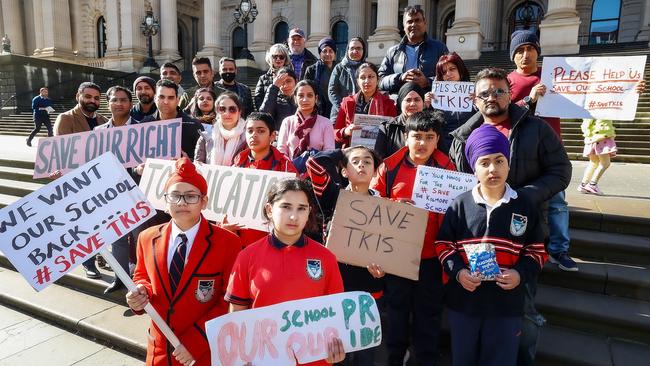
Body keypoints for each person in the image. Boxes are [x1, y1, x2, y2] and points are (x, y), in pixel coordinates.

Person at [448, 67, 571, 366]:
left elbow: (561, 171)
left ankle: (522, 360)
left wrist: (525, 196)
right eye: (485, 93)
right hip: (476, 239)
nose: (492, 97)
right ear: (475, 99)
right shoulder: (463, 136)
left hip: (520, 234)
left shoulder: (537, 128)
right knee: (475, 311)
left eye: (499, 90)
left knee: (523, 308)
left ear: (510, 93)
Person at [435, 124, 547, 366]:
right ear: (474, 168)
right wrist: (458, 273)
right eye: (484, 163)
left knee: (500, 359)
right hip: (464, 303)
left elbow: (537, 251)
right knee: (463, 358)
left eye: (499, 161)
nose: (493, 169)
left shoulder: (525, 206)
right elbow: (444, 245)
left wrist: (519, 274)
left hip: (506, 306)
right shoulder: (460, 204)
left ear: (509, 163)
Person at [126, 157, 241, 366]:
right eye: (175, 196)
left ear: (204, 201)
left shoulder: (227, 243)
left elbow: (230, 300)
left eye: (190, 197)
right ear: (165, 200)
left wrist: (197, 341)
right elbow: (142, 275)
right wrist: (141, 292)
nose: (181, 203)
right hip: (160, 351)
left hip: (203, 352)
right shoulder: (147, 237)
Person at [224, 178, 346, 365]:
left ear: (309, 212)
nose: (293, 216)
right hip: (263, 360)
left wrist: (336, 348)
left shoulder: (326, 258)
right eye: (286, 207)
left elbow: (337, 315)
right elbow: (237, 313)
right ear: (269, 209)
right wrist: (241, 353)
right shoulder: (247, 256)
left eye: (301, 208)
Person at [372, 110, 455, 366]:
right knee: (396, 315)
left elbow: (456, 213)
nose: (422, 143)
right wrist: (395, 205)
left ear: (437, 139)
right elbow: (372, 205)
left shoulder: (448, 168)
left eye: (429, 137)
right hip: (397, 258)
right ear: (406, 137)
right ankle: (395, 359)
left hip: (431, 258)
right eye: (417, 136)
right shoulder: (389, 166)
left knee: (428, 318)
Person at [505, 30, 576, 274]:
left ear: (538, 51)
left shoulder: (555, 77)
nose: (525, 55)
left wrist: (627, 89)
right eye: (520, 50)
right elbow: (502, 113)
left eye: (530, 49)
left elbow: (589, 94)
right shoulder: (507, 81)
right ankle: (519, 245)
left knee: (557, 202)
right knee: (520, 200)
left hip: (551, 147)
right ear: (513, 56)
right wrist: (528, 100)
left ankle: (559, 249)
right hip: (521, 151)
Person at [306, 146, 385, 366]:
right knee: (336, 353)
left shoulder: (385, 205)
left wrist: (383, 269)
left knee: (365, 354)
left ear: (375, 171)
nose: (362, 165)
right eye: (355, 161)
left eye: (368, 161)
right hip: (334, 287)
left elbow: (389, 250)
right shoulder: (332, 195)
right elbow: (313, 164)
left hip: (368, 289)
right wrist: (341, 152)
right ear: (343, 171)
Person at [53, 82, 108, 279]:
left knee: (101, 222)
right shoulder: (66, 118)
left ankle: (103, 257)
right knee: (85, 225)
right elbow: (60, 151)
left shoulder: (103, 119)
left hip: (99, 180)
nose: (92, 101)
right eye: (88, 96)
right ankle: (88, 262)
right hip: (77, 181)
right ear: (78, 96)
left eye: (96, 98)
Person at [229, 112, 298, 246]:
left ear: (272, 136)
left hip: (272, 239)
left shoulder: (285, 166)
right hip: (238, 238)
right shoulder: (236, 163)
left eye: (260, 131)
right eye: (250, 131)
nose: (254, 135)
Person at [95, 85, 138, 293]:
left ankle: (141, 281)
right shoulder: (98, 133)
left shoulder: (144, 129)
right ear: (108, 103)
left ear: (131, 104)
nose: (119, 103)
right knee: (118, 240)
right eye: (114, 100)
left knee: (140, 239)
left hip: (138, 194)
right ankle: (120, 279)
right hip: (111, 196)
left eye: (123, 100)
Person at [378, 5, 448, 95]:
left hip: (430, 103)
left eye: (417, 20)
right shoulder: (393, 52)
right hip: (400, 104)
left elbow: (450, 77)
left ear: (425, 23)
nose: (413, 24)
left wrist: (427, 82)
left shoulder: (439, 48)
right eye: (410, 21)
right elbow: (380, 81)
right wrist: (400, 78)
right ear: (404, 26)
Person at [333, 62, 397, 148]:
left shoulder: (388, 103)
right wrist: (346, 131)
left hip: (380, 152)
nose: (367, 81)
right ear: (358, 81)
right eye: (362, 77)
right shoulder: (348, 102)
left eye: (371, 77)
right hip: (352, 151)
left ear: (377, 79)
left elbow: (394, 133)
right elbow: (335, 132)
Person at [140, 79, 204, 161]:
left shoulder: (194, 125)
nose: (166, 102)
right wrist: (137, 170)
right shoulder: (144, 125)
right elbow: (134, 163)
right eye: (161, 97)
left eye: (170, 98)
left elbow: (204, 162)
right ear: (155, 98)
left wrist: (189, 163)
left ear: (177, 100)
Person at [424, 52, 475, 154]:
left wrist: (479, 103)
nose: (448, 74)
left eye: (452, 69)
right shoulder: (434, 97)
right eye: (443, 72)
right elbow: (429, 126)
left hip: (470, 148)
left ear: (460, 70)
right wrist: (426, 107)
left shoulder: (476, 93)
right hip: (444, 150)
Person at [277, 80, 335, 168]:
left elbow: (329, 152)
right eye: (300, 96)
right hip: (290, 173)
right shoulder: (287, 122)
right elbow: (281, 151)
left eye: (310, 95)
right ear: (295, 98)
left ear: (316, 98)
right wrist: (291, 169)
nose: (305, 99)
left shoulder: (326, 123)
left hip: (317, 173)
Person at [374, 82, 426, 159]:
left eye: (417, 100)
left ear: (423, 103)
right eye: (408, 100)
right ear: (400, 103)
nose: (412, 104)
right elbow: (379, 159)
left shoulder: (433, 126)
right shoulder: (387, 128)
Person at [194, 92, 246, 165]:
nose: (227, 113)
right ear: (217, 112)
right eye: (222, 109)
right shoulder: (206, 136)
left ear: (239, 112)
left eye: (232, 109)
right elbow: (198, 165)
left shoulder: (248, 137)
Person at [328, 37, 367, 120]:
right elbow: (332, 91)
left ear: (363, 51)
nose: (355, 51)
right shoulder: (339, 68)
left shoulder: (368, 68)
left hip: (362, 115)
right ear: (347, 50)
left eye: (358, 48)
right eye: (352, 48)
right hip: (339, 112)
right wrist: (343, 109)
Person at [577, 119, 617, 195]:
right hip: (601, 137)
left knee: (593, 163)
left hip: (591, 138)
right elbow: (605, 125)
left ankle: (584, 184)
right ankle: (592, 184)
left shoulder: (590, 113)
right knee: (605, 163)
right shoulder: (603, 112)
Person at [304, 37, 337, 119]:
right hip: (318, 109)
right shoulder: (312, 70)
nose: (328, 54)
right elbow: (306, 89)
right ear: (320, 53)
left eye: (331, 51)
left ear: (334, 53)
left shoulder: (339, 69)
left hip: (335, 109)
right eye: (324, 51)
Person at [254, 43, 292, 110]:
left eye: (281, 57)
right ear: (270, 58)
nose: (278, 59)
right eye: (275, 57)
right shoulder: (263, 79)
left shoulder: (291, 76)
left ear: (285, 59)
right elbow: (258, 100)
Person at [259, 67, 298, 131]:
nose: (285, 86)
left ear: (296, 81)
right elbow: (264, 115)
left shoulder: (302, 99)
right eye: (282, 82)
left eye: (288, 81)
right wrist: (274, 87)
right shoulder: (274, 99)